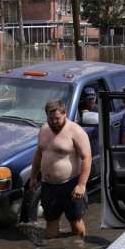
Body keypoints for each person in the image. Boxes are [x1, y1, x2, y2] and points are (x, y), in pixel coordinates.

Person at [29, 99, 92, 240]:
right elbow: (39, 153)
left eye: (57, 118)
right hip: (48, 186)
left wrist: (81, 185)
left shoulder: (76, 131)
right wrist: (33, 177)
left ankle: (80, 248)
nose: (54, 122)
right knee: (50, 224)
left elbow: (87, 157)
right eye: (50, 119)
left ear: (65, 114)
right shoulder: (44, 129)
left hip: (70, 185)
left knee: (76, 223)